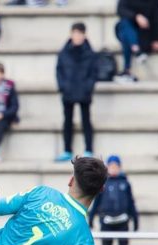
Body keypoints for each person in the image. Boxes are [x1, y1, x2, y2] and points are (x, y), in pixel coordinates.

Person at [89, 155, 139, 245]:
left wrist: (135, 220)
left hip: (122, 222)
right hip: (106, 222)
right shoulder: (103, 183)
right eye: (111, 166)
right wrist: (91, 219)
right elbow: (96, 203)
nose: (114, 169)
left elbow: (131, 203)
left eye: (116, 166)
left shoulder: (125, 183)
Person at [55, 22, 98, 162]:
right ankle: (67, 149)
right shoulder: (64, 52)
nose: (77, 36)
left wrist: (88, 87)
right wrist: (63, 86)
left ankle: (89, 149)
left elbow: (94, 72)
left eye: (80, 33)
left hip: (83, 91)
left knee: (86, 120)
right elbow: (59, 71)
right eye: (75, 33)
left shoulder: (90, 53)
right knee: (67, 121)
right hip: (68, 91)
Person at [114, 0, 158, 83]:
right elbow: (120, 9)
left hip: (145, 34)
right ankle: (137, 50)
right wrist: (136, 17)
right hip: (128, 28)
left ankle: (127, 69)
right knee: (125, 24)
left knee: (125, 35)